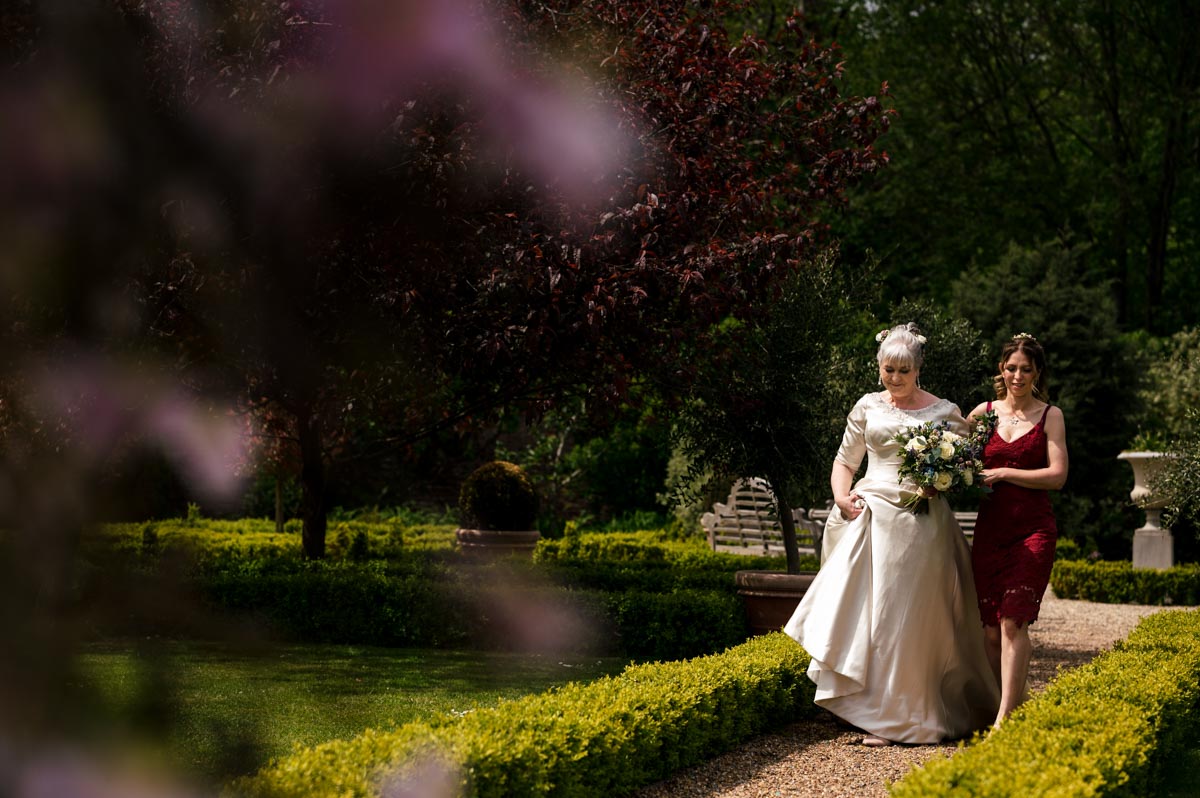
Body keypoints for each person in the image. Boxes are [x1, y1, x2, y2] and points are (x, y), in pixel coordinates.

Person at [784, 323, 999, 746]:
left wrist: (940, 480)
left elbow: (967, 462)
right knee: (869, 612)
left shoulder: (942, 411)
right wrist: (842, 498)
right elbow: (845, 462)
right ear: (879, 367)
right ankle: (867, 708)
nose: (895, 378)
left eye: (903, 371)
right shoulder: (866, 406)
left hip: (923, 524)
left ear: (918, 368)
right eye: (888, 370)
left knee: (910, 618)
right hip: (871, 516)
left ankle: (904, 715)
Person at [966, 333, 1068, 729]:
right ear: (1001, 370)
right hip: (990, 531)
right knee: (991, 632)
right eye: (1011, 368)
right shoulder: (982, 415)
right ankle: (1018, 711)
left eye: (1026, 369)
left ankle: (1003, 723)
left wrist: (1006, 472)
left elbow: (1058, 476)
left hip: (1033, 530)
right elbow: (958, 463)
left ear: (1037, 372)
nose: (1018, 375)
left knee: (1014, 621)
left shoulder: (1050, 415)